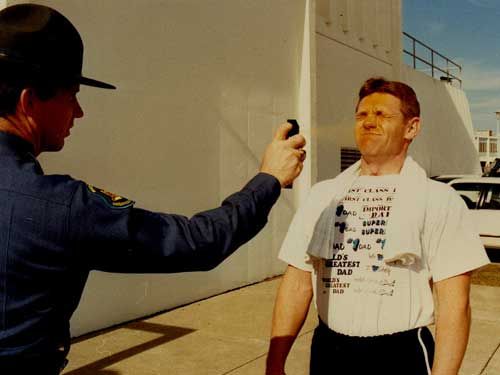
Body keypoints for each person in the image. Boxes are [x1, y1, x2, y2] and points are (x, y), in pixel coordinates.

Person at [0, 3, 307, 374]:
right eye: (71, 95)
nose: (78, 112)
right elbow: (199, 242)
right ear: (29, 101)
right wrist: (269, 179)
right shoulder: (59, 206)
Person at [266, 77, 489, 375]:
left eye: (382, 114)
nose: (369, 122)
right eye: (362, 115)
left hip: (400, 355)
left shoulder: (439, 199)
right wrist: (274, 363)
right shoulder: (323, 195)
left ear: (412, 127)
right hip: (329, 351)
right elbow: (297, 282)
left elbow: (454, 305)